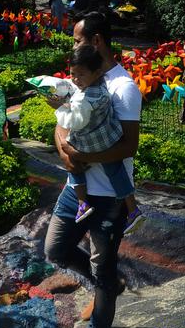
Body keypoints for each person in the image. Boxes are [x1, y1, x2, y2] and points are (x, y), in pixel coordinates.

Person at [44, 11, 142, 328]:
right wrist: (65, 152)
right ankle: (109, 284)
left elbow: (129, 144)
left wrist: (83, 157)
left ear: (96, 41)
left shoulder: (122, 88)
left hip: (107, 197)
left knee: (102, 268)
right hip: (76, 190)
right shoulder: (81, 76)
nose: (73, 46)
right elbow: (63, 125)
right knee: (55, 248)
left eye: (77, 40)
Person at [54, 44, 143, 231]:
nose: (76, 80)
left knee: (73, 163)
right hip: (108, 138)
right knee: (115, 171)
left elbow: (75, 121)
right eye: (73, 74)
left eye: (80, 75)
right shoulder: (101, 84)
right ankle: (133, 209)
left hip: (89, 142)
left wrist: (59, 109)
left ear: (96, 72)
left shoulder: (84, 98)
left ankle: (82, 203)